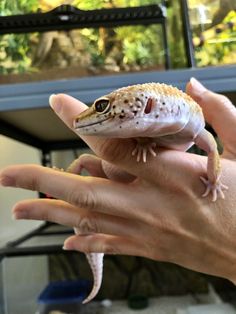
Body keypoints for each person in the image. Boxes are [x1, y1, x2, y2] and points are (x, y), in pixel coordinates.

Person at [1, 78, 236, 283]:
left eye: (102, 107)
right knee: (86, 163)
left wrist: (214, 183)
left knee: (88, 175)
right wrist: (143, 141)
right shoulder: (156, 126)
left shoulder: (193, 124)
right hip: (117, 180)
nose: (86, 118)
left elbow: (210, 148)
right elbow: (149, 130)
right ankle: (66, 182)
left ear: (149, 104)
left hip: (137, 193)